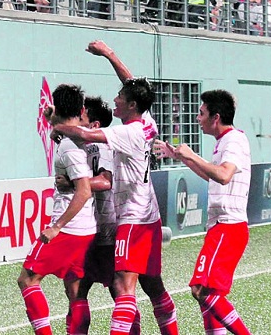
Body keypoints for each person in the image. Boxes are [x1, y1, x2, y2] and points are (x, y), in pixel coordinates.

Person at [51, 41, 179, 335]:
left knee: (122, 285)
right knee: (152, 285)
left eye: (120, 97)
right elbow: (132, 84)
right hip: (149, 215)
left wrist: (58, 123)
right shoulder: (146, 121)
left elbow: (84, 133)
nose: (116, 98)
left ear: (132, 105)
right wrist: (109, 55)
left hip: (131, 219)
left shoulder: (128, 133)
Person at [154, 90, 252, 335]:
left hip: (228, 226)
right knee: (208, 294)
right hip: (222, 226)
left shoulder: (234, 141)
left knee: (201, 290)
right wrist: (181, 157)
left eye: (201, 113)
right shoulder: (225, 141)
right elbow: (213, 177)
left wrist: (191, 154)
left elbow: (223, 174)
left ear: (215, 117)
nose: (197, 118)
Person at [18, 83, 95, 335]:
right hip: (87, 228)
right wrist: (53, 119)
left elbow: (83, 190)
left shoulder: (68, 147)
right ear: (82, 110)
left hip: (69, 229)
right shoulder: (86, 135)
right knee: (75, 290)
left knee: (28, 279)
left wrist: (56, 227)